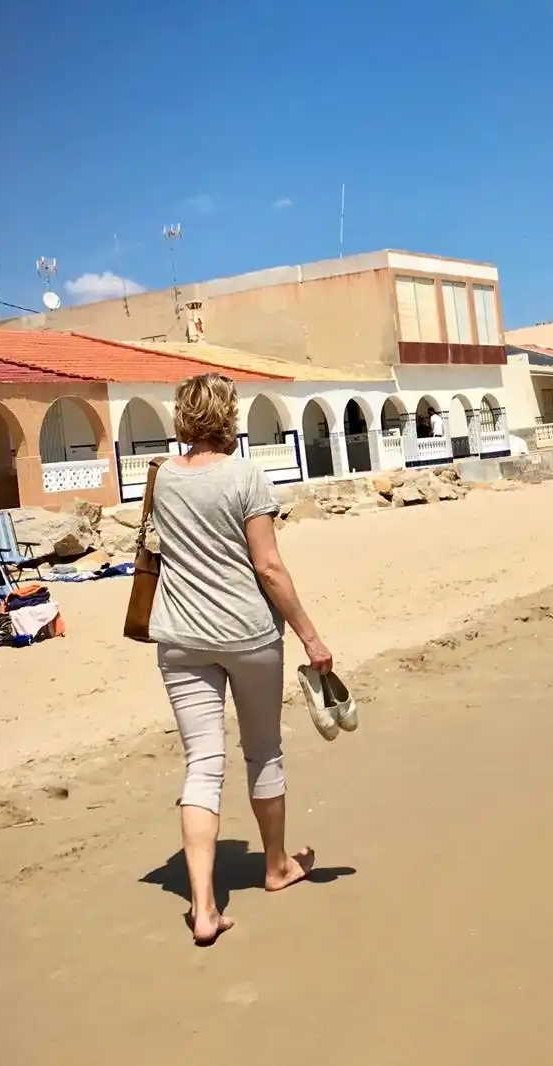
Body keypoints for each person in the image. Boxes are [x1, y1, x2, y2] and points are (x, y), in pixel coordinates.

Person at [149, 372, 335, 946]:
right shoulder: (246, 475)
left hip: (179, 636)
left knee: (203, 764)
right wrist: (310, 636)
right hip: (248, 635)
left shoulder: (162, 479)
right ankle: (276, 867)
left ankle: (203, 908)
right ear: (228, 414)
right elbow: (269, 568)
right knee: (263, 751)